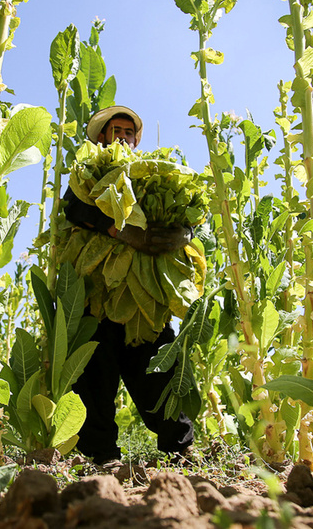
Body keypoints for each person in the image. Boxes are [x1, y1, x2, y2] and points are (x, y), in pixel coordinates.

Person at [63, 105, 195, 466]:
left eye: (129, 132)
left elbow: (183, 215)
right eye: (116, 130)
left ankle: (181, 448)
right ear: (102, 137)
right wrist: (119, 231)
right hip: (98, 292)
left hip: (144, 295)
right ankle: (100, 455)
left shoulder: (154, 174)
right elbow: (73, 208)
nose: (123, 136)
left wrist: (185, 233)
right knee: (95, 375)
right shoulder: (88, 171)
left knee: (156, 369)